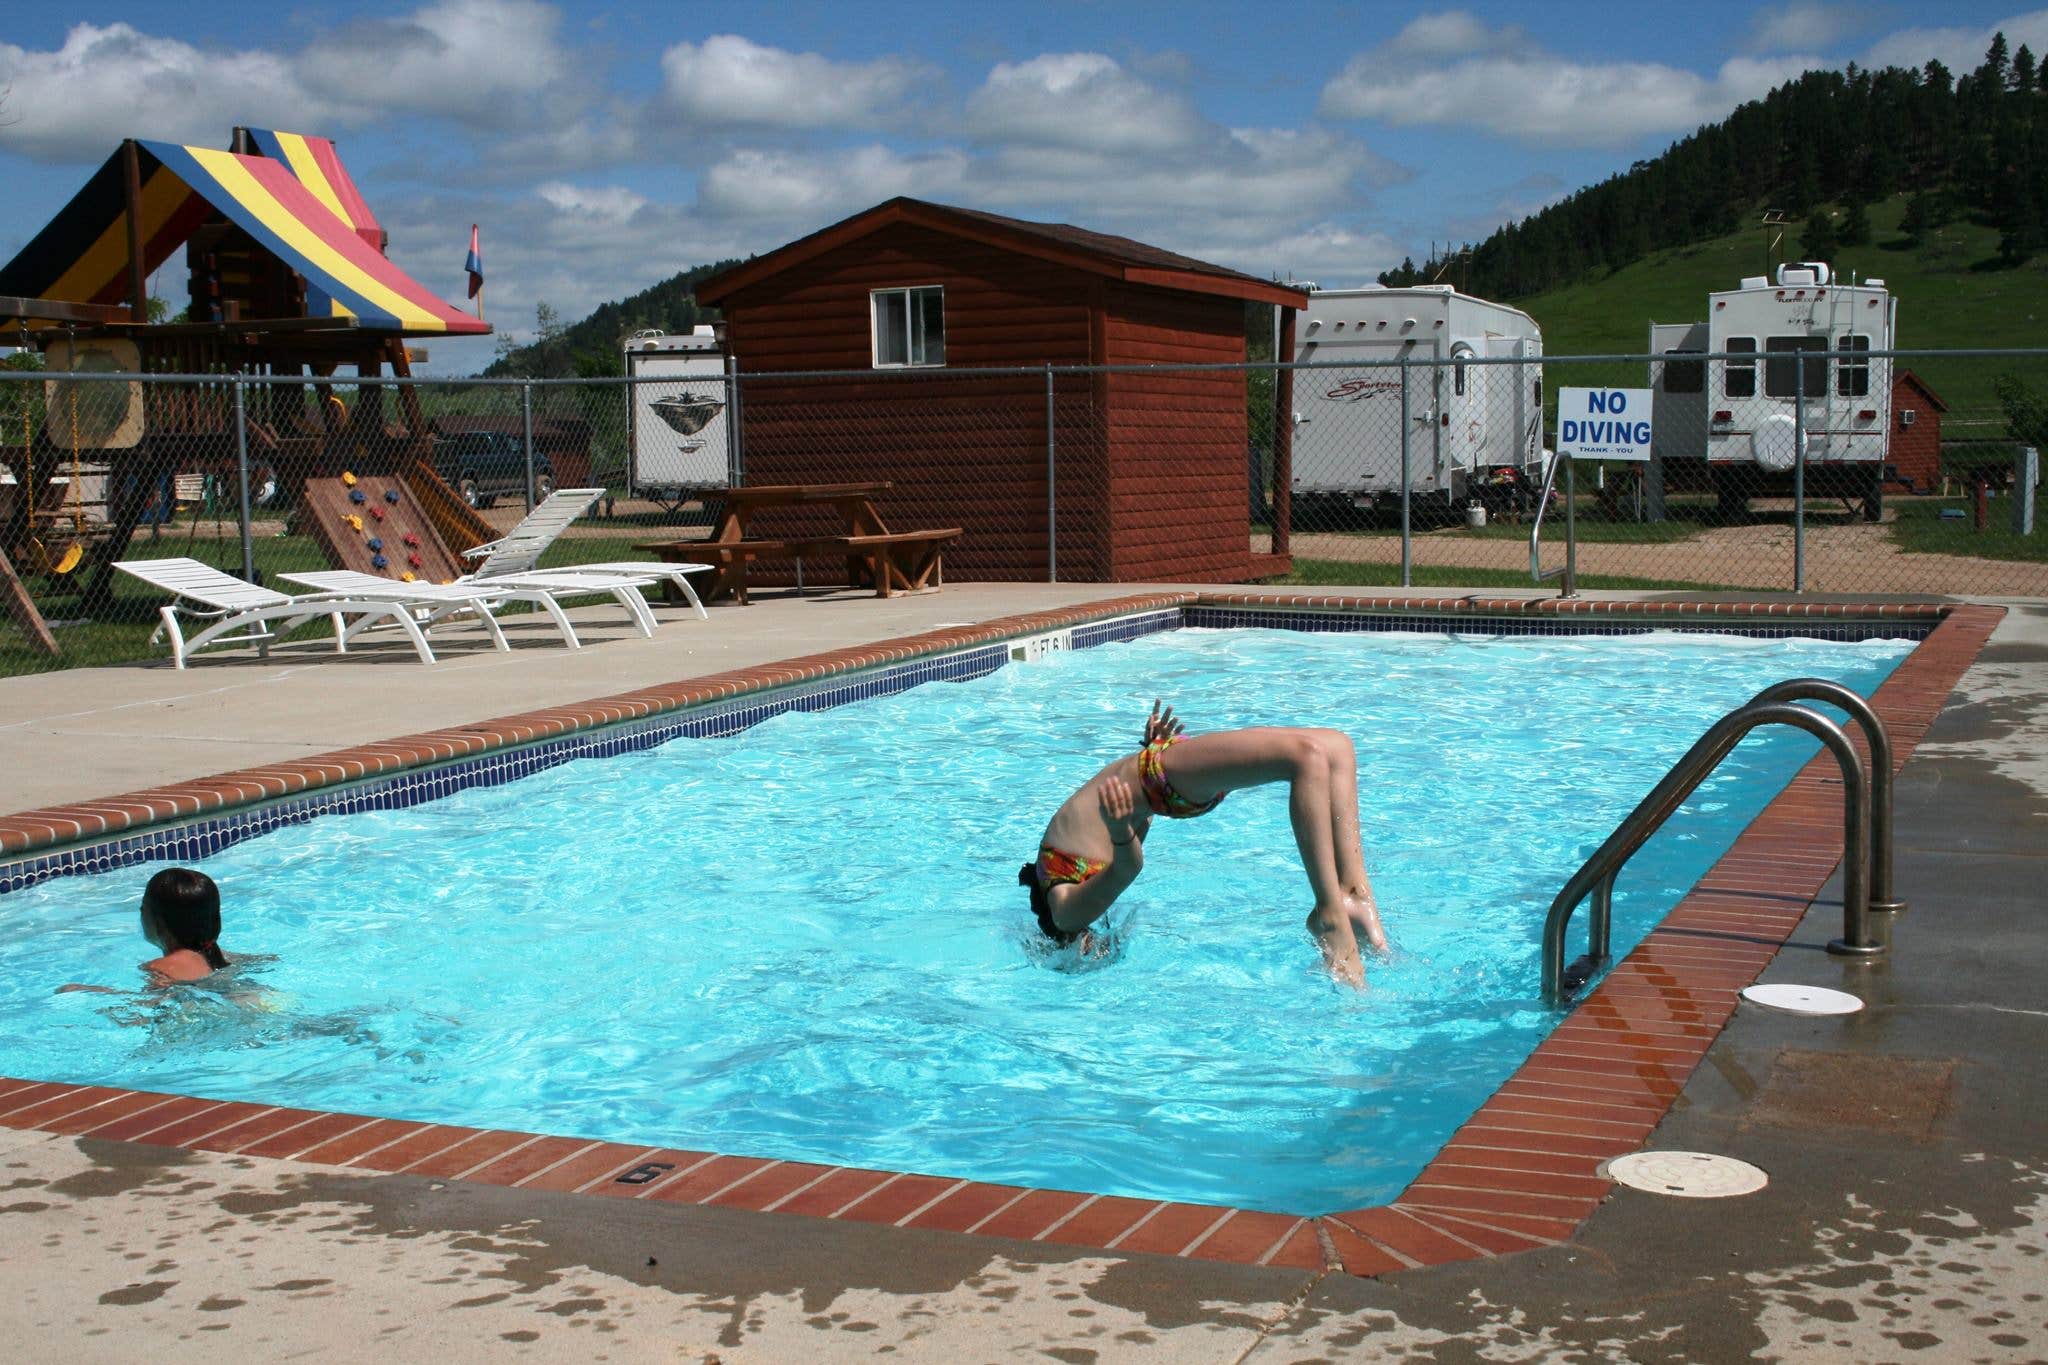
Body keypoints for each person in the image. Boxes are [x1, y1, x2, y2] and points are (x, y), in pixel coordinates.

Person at [1019, 701, 1387, 985]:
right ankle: (1330, 913)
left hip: (1160, 774)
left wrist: (1151, 748)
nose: (1097, 946)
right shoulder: (1064, 896)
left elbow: (1126, 840)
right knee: (1305, 758)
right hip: (1160, 778)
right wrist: (1119, 828)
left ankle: (1354, 893)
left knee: (1338, 747)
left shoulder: (1066, 905)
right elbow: (1129, 864)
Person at [57, 867, 229, 994]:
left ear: (157, 922)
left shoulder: (159, 968)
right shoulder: (220, 956)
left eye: (143, 908)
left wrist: (90, 990)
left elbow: (141, 1007)